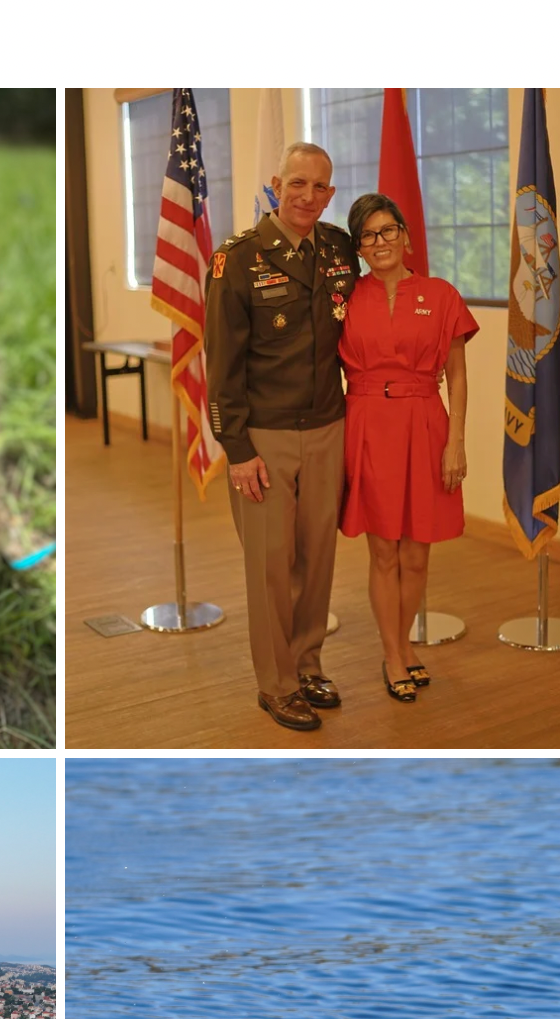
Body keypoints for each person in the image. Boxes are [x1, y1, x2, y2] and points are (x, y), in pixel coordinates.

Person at [204, 142, 360, 731]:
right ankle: (276, 685)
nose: (308, 196)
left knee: (317, 560)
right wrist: (237, 450)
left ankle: (308, 664)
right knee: (271, 566)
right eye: (298, 184)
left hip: (327, 426)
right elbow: (222, 366)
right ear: (277, 184)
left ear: (331, 194)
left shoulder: (340, 249)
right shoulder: (237, 259)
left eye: (320, 187)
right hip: (264, 437)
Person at [338, 193, 479, 702]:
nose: (380, 242)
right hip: (368, 423)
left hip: (425, 424)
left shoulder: (441, 294)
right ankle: (393, 652)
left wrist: (456, 442)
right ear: (359, 246)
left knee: (417, 552)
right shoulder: (345, 298)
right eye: (369, 235)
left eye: (388, 230)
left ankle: (405, 644)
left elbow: (458, 376)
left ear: (405, 235)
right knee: (383, 551)